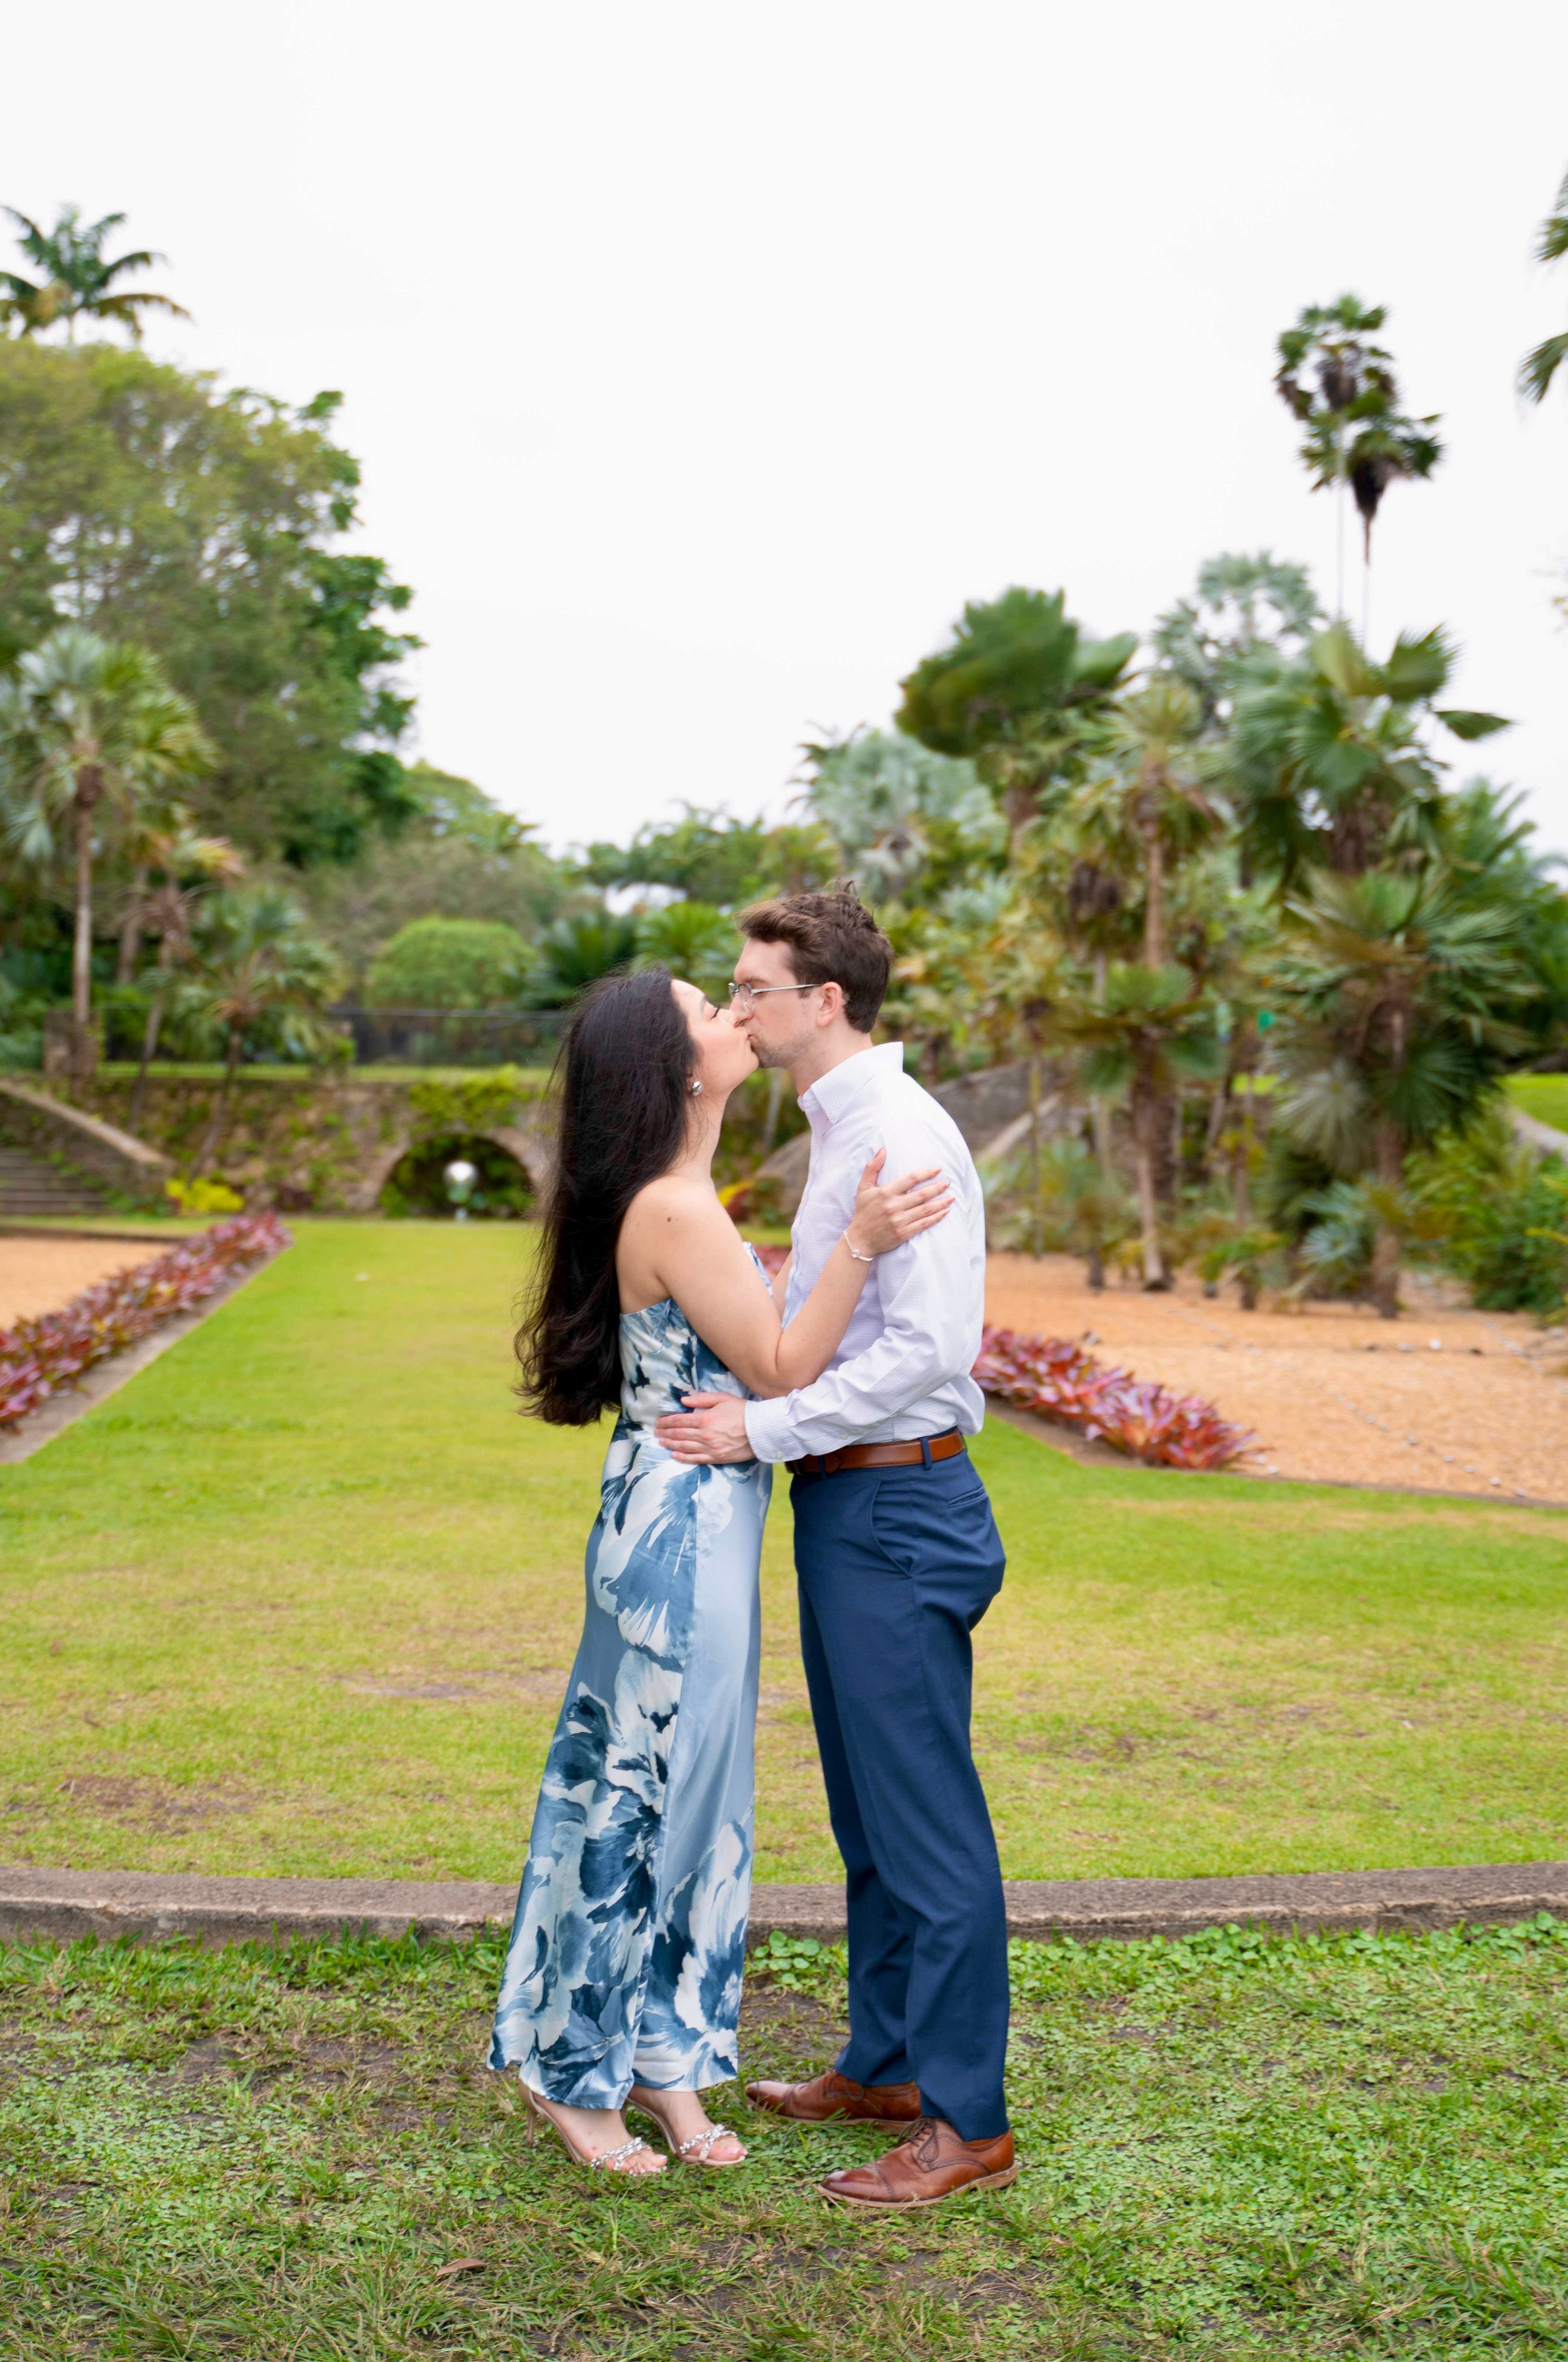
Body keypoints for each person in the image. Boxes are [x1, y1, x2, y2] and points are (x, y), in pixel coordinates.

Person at [489, 964, 953, 2177]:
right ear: (679, 1066)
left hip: (707, 1511)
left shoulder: (685, 1192)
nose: (735, 1019)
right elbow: (788, 1366)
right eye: (711, 1010)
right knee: (638, 1798)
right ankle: (571, 2076)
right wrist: (860, 1235)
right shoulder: (676, 1209)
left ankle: (666, 2058)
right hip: (680, 1527)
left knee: (698, 1801)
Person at [655, 886, 1017, 2213]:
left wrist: (760, 1425)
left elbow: (926, 1352)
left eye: (752, 986)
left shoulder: (896, 1135)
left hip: (900, 1506)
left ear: (823, 1002)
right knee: (870, 1810)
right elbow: (844, 1318)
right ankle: (884, 2062)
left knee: (926, 1821)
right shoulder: (847, 1127)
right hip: (853, 1504)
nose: (737, 1005)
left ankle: (965, 2118)